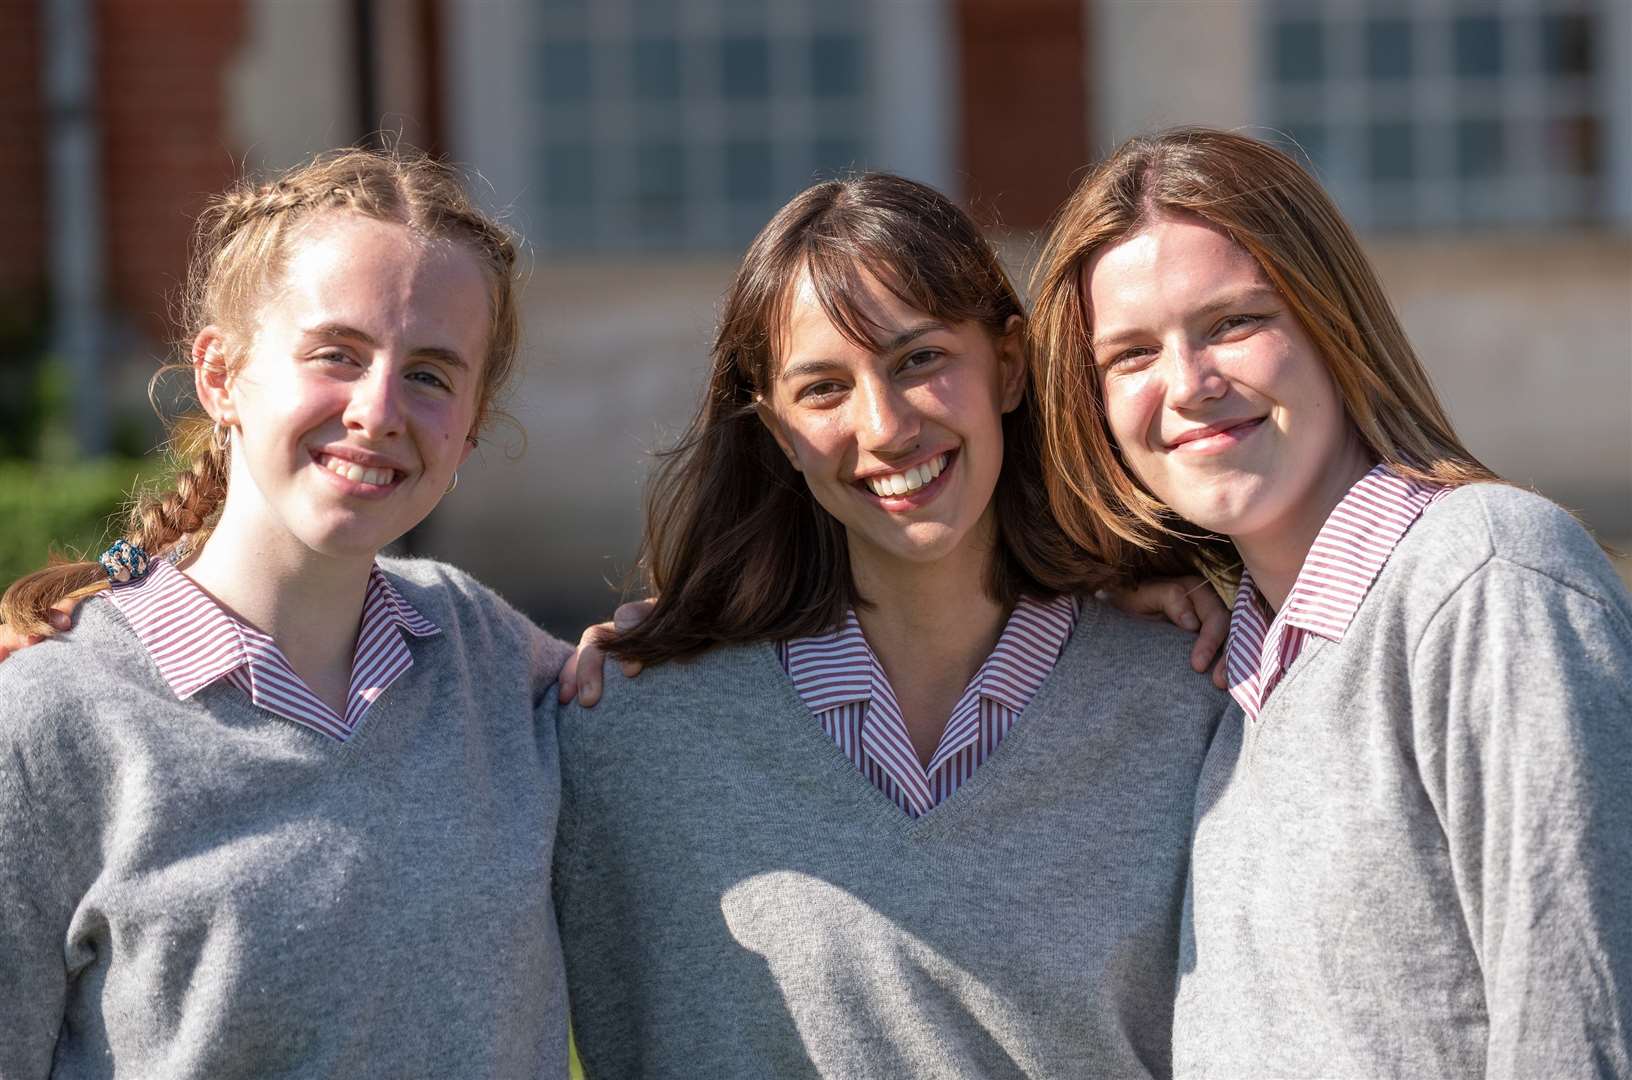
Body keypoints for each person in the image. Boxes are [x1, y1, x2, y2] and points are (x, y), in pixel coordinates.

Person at [551, 172, 1228, 1078]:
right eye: (825, 388)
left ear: (1011, 364)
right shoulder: (630, 734)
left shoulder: (1186, 705)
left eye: (919, 359)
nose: (886, 426)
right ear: (780, 431)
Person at [1027, 127, 1632, 1077]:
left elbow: (1581, 1026)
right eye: (1132, 355)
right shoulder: (1235, 681)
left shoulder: (1487, 577)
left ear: (1329, 318)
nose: (1187, 386)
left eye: (1232, 322)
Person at [0, 148, 575, 1077]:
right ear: (221, 376)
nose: (379, 409)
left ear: (470, 425)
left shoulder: (490, 656)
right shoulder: (50, 716)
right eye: (336, 355)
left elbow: (677, 711)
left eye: (431, 374)